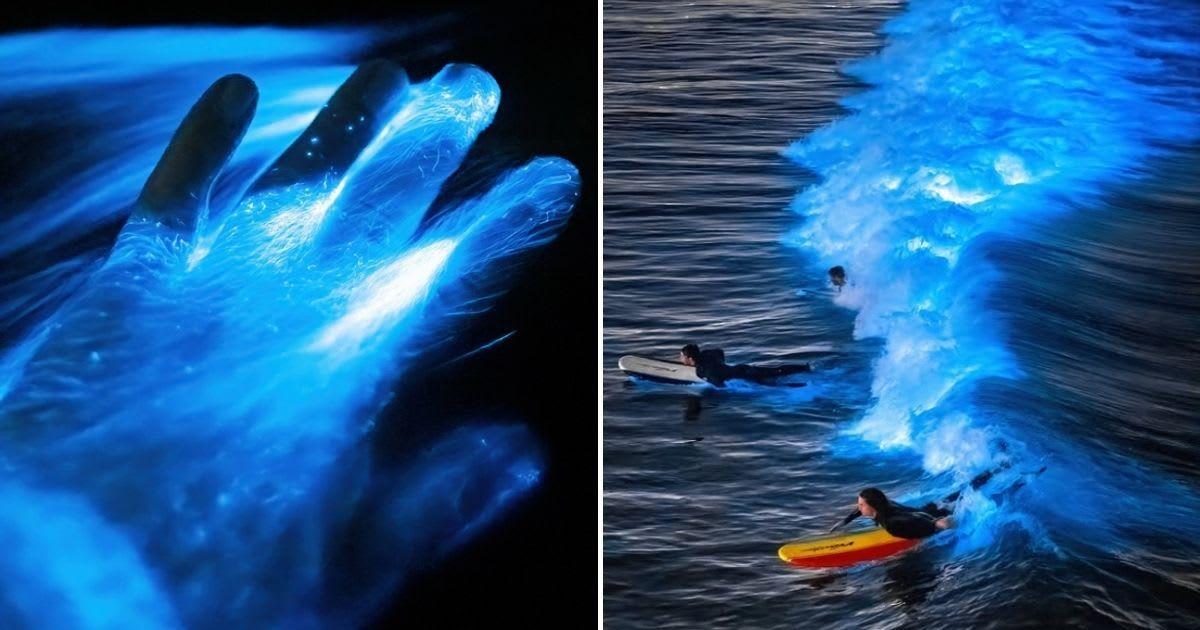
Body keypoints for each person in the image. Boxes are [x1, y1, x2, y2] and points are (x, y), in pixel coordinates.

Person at [679, 344, 810, 387]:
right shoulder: (707, 353)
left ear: (690, 359)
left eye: (682, 356)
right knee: (776, 371)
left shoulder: (701, 371)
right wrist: (721, 365)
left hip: (744, 376)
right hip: (742, 368)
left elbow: (720, 385)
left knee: (772, 385)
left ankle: (802, 386)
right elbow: (720, 352)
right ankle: (805, 368)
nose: (679, 358)